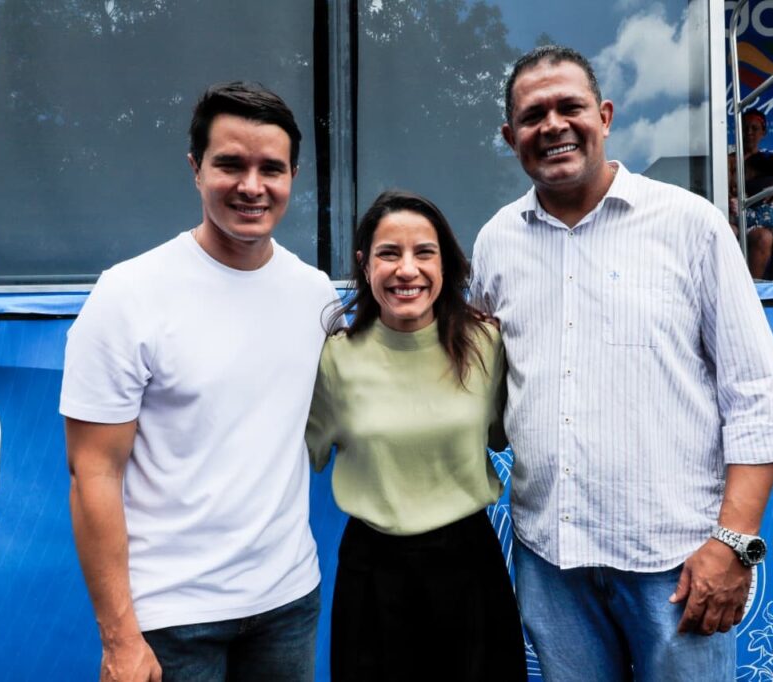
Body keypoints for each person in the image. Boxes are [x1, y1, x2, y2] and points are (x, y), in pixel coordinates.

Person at [469, 46, 773, 681]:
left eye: (570, 107)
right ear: (511, 137)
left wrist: (733, 545)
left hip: (676, 567)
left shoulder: (690, 225)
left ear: (605, 116)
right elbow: (485, 386)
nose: (553, 126)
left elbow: (757, 395)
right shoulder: (496, 243)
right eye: (533, 116)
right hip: (550, 564)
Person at [60, 82, 337, 682]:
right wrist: (120, 638)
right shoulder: (128, 295)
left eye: (271, 168)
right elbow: (92, 474)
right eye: (230, 165)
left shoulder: (315, 295)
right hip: (171, 620)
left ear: (293, 176)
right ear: (195, 168)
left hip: (289, 602)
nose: (252, 186)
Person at [307, 190, 527, 681]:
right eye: (389, 253)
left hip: (469, 567)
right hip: (372, 574)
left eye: (424, 253)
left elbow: (500, 436)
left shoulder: (485, 344)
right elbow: (304, 450)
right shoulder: (334, 358)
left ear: (445, 264)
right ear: (365, 265)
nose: (407, 270)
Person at [730, 109, 773, 280]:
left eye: (755, 128)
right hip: (745, 220)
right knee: (763, 237)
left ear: (764, 132)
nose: (749, 132)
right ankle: (752, 291)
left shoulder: (771, 156)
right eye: (745, 128)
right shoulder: (728, 158)